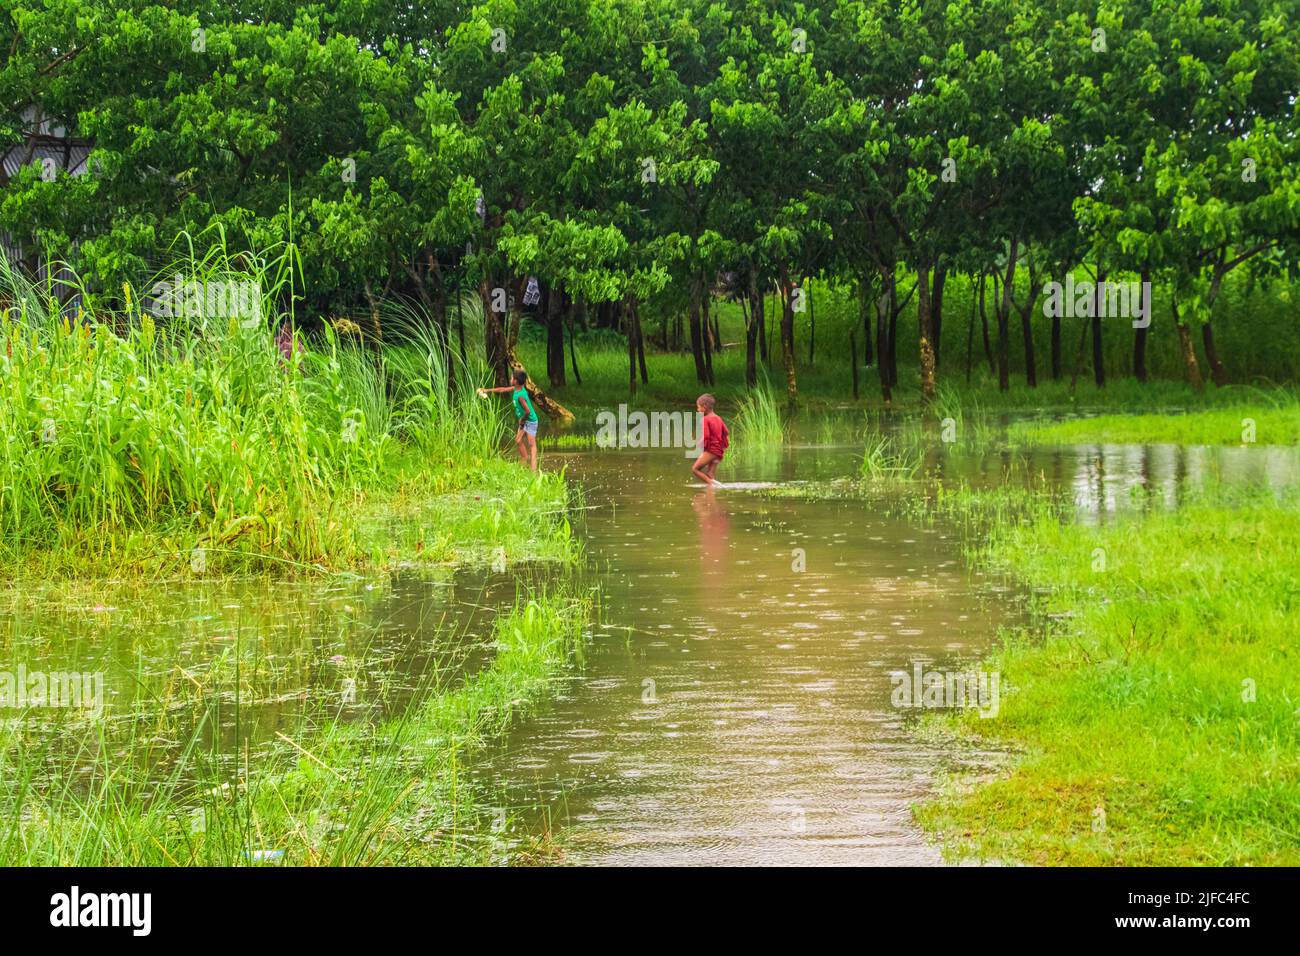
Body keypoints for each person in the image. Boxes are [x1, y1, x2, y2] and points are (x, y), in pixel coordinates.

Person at [478, 369, 539, 471]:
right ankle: (524, 458)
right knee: (518, 440)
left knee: (532, 445)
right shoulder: (516, 388)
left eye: (511, 377)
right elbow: (502, 389)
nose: (510, 379)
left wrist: (522, 420)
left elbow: (527, 411)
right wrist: (487, 390)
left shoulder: (520, 396)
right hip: (524, 420)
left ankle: (534, 472)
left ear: (515, 381)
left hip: (530, 420)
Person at [691, 393, 728, 487]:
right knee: (710, 475)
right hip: (719, 450)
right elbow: (726, 432)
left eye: (698, 407)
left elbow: (706, 436)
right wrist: (723, 446)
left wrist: (699, 446)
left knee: (695, 469)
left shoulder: (705, 419)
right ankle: (711, 496)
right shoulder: (718, 418)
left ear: (705, 407)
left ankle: (713, 484)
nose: (698, 410)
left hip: (712, 450)